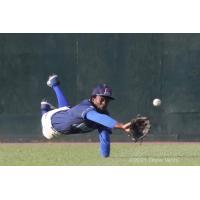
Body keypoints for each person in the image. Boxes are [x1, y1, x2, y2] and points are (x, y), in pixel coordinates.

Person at [41, 74, 131, 158]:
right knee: (47, 133)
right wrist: (121, 125)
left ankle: (54, 84)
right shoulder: (85, 108)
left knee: (66, 109)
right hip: (50, 125)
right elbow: (98, 118)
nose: (104, 103)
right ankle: (45, 108)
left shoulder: (104, 114)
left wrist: (105, 156)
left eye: (107, 101)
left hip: (65, 113)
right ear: (93, 98)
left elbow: (104, 135)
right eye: (102, 99)